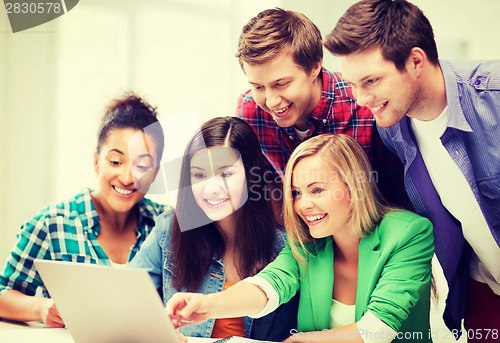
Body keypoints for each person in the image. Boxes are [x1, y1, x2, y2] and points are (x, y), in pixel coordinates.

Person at [323, 0, 500, 339]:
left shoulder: (493, 96)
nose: (360, 99)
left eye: (371, 80)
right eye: (353, 84)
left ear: (416, 61)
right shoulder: (392, 125)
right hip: (483, 291)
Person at [166, 134, 434, 343]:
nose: (302, 205)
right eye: (296, 193)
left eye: (316, 190)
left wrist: (302, 341)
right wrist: (209, 305)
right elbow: (268, 285)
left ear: (355, 187)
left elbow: (378, 329)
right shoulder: (309, 243)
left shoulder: (409, 234)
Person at [0, 92, 166, 328]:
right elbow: (3, 293)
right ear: (97, 162)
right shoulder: (52, 223)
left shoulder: (166, 225)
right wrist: (41, 308)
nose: (128, 177)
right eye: (116, 162)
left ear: (155, 172)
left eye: (142, 165)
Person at [130, 117, 298, 341]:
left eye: (225, 174)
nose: (211, 188)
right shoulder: (168, 229)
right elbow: (125, 297)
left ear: (251, 176)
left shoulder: (283, 246)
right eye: (199, 175)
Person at [235, 8, 410, 211]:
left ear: (314, 67)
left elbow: (401, 195)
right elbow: (267, 184)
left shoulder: (365, 104)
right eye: (258, 87)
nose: (272, 101)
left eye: (281, 84)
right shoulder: (250, 110)